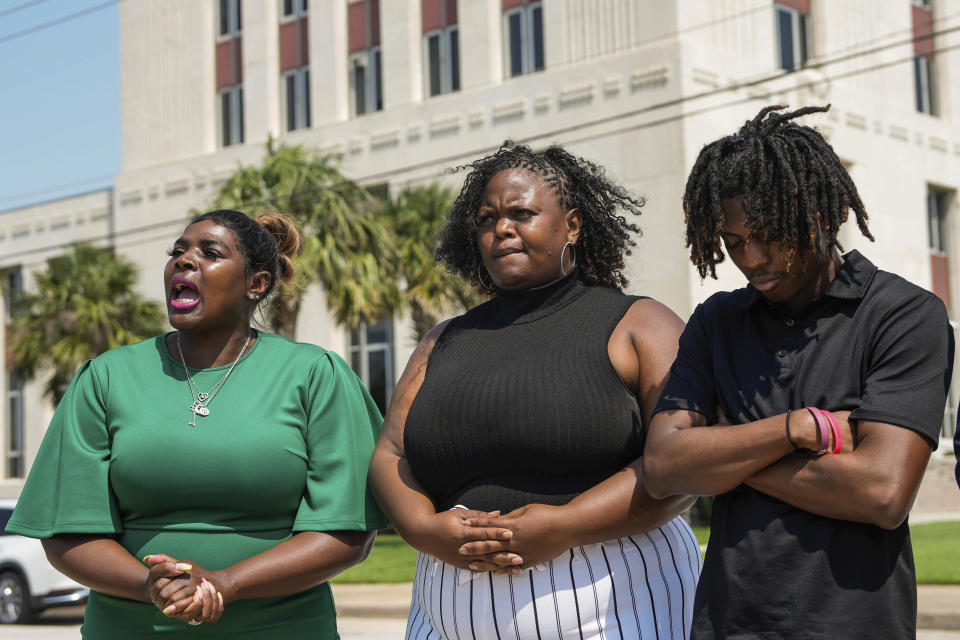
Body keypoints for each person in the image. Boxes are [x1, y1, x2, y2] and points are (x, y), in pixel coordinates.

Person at [643, 105, 955, 639]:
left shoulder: (903, 314)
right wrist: (795, 430)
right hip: (728, 626)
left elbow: (881, 492)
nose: (754, 258)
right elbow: (664, 467)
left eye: (769, 234)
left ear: (823, 213)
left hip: (856, 626)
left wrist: (723, 453)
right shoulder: (717, 321)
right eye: (735, 242)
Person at [370, 142, 702, 640]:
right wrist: (422, 528)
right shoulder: (443, 339)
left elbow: (683, 464)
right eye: (487, 219)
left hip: (620, 606)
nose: (501, 228)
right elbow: (391, 453)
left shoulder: (640, 324)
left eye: (521, 213)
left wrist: (566, 524)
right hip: (444, 615)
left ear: (572, 224)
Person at [6, 210, 387, 638]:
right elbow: (66, 532)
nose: (184, 261)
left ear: (256, 284)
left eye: (210, 253)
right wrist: (148, 585)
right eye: (178, 252)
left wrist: (227, 583)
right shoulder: (106, 377)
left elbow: (348, 532)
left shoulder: (316, 374)